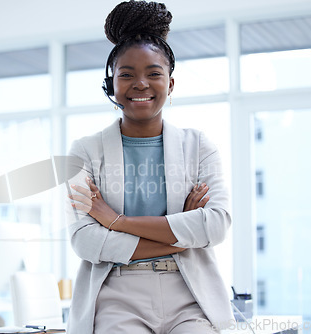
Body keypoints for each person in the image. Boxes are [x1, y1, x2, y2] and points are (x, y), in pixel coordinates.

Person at [65, 1, 234, 333]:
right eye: (126, 75)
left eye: (154, 74)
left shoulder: (199, 146)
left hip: (189, 292)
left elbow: (215, 226)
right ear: (111, 86)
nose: (140, 84)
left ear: (170, 84)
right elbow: (85, 240)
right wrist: (183, 236)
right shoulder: (84, 151)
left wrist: (118, 222)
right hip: (117, 293)